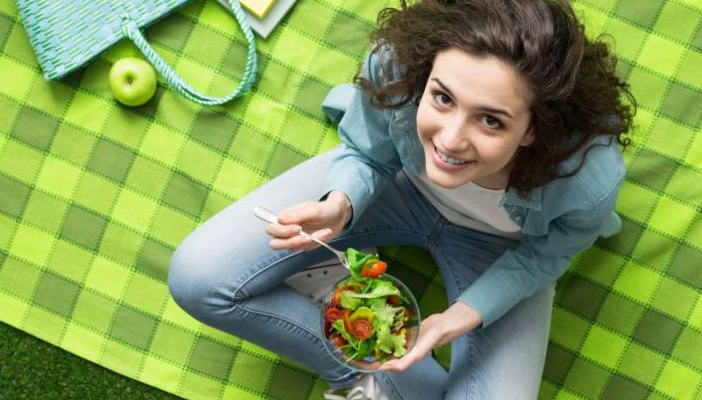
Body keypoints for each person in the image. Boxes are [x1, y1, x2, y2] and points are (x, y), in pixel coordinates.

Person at [167, 0, 635, 398]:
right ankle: (362, 367)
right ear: (425, 75)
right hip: (395, 189)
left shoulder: (588, 176)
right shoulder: (397, 63)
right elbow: (365, 152)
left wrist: (458, 318)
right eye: (442, 98)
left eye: (491, 121)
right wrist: (341, 203)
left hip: (502, 251)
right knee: (197, 278)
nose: (451, 141)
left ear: (534, 128)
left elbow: (543, 259)